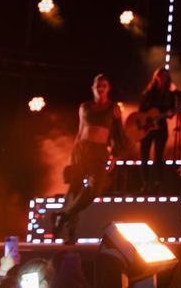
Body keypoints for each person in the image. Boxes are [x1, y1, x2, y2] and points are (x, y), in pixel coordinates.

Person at [52, 74, 126, 242]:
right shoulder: (84, 107)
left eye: (104, 85)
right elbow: (79, 132)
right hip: (81, 149)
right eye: (98, 85)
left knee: (94, 190)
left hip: (99, 151)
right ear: (93, 88)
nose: (101, 88)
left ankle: (62, 215)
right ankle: (70, 233)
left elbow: (117, 133)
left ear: (108, 88)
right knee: (74, 189)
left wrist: (114, 156)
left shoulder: (113, 108)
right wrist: (71, 158)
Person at [137, 67, 175, 194]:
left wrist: (170, 114)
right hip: (146, 128)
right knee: (144, 156)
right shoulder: (148, 93)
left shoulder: (170, 95)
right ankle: (145, 184)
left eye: (164, 75)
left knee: (158, 156)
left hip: (161, 128)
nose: (162, 78)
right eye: (160, 75)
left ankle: (158, 183)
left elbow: (171, 112)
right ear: (155, 77)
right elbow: (140, 111)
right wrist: (147, 118)